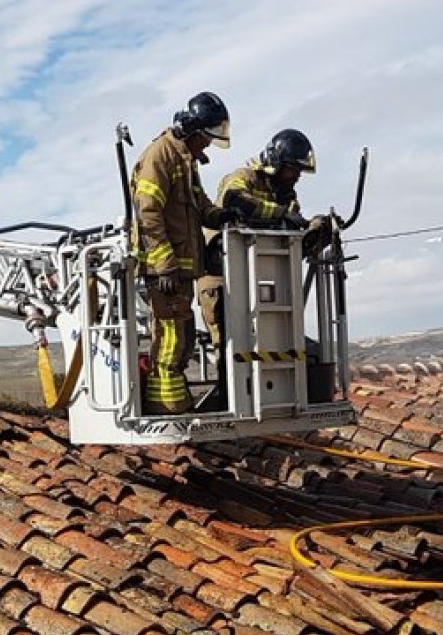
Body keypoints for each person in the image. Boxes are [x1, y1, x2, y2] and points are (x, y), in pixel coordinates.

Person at [131, 91, 240, 415]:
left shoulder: (183, 159)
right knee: (170, 342)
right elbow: (147, 212)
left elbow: (198, 203)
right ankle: (167, 409)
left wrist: (219, 215)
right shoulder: (159, 156)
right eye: (205, 139)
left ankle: (176, 406)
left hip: (180, 272)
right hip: (166, 273)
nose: (206, 146)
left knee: (184, 340)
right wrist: (164, 265)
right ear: (192, 132)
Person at [197, 128, 315, 349]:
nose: (297, 176)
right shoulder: (241, 178)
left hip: (258, 279)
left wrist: (312, 228)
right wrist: (280, 214)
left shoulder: (285, 195)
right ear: (276, 163)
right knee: (231, 349)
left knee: (270, 344)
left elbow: (291, 227)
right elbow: (236, 202)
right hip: (221, 277)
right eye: (293, 169)